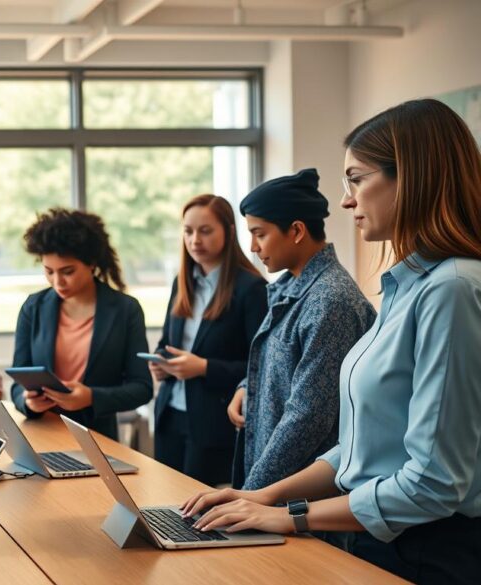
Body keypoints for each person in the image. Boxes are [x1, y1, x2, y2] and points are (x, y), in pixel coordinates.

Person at [181, 98, 481, 585]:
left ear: (411, 176)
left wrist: (288, 515)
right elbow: (363, 446)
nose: (346, 201)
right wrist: (265, 496)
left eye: (357, 180)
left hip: (427, 550)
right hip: (382, 539)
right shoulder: (407, 288)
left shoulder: (451, 291)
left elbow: (433, 483)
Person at [228, 169, 375, 490]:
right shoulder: (291, 288)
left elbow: (308, 416)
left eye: (260, 234)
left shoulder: (329, 300)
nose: (252, 246)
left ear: (296, 230)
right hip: (275, 487)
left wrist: (251, 493)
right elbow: (279, 365)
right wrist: (246, 386)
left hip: (301, 494)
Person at [151, 195, 267, 486]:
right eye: (188, 231)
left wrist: (203, 367)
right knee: (162, 502)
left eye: (205, 231)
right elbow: (167, 341)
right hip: (171, 415)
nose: (194, 240)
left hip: (214, 421)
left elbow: (261, 367)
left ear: (228, 231)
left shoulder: (251, 288)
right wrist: (159, 362)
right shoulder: (182, 283)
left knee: (194, 513)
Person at [10, 208, 152, 441]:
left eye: (68, 272)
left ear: (91, 263)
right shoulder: (32, 308)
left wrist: (92, 397)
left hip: (98, 439)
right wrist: (26, 402)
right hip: (41, 435)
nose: (58, 282)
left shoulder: (126, 310)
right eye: (49, 272)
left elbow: (142, 388)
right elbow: (17, 384)